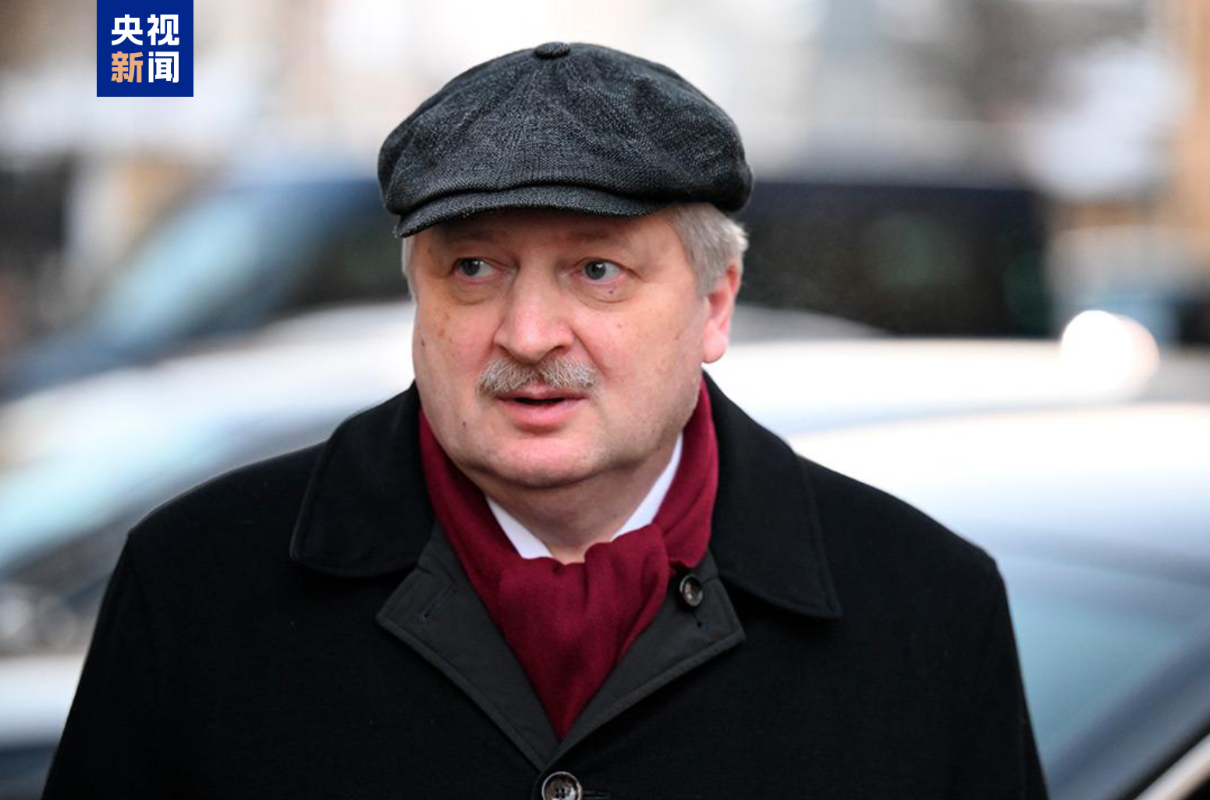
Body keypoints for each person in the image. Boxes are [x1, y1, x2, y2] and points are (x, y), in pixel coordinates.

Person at [45, 43, 1047, 799]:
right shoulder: (197, 585)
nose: (527, 333)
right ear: (418, 295)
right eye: (474, 267)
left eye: (596, 269)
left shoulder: (926, 608)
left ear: (714, 305)